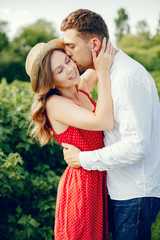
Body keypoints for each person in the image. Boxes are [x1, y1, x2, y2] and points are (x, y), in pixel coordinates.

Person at [60, 9, 160, 240]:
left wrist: (82, 159)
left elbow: (136, 147)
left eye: (71, 46)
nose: (68, 53)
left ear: (94, 43)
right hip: (123, 189)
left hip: (134, 193)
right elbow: (80, 87)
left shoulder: (125, 78)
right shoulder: (111, 72)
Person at [25, 38, 115, 239]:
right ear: (50, 83)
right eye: (59, 71)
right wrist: (103, 73)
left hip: (98, 177)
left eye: (67, 60)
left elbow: (101, 54)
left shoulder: (80, 88)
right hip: (82, 186)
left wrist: (86, 47)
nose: (69, 69)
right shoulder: (55, 103)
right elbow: (104, 121)